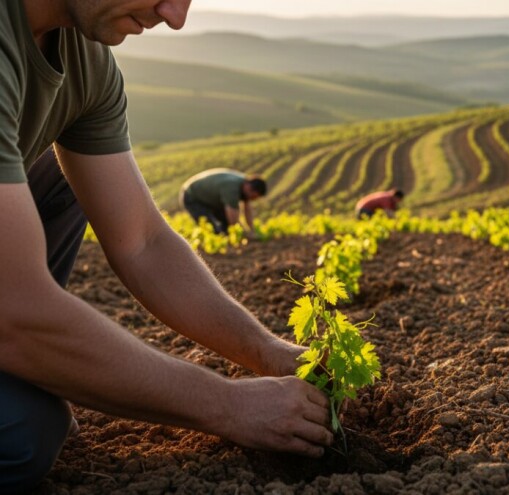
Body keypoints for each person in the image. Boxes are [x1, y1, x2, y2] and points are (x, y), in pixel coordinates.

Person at [0, 1, 332, 492]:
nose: (175, 17)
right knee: (24, 435)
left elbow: (144, 241)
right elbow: (13, 312)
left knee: (66, 177)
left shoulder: (85, 59)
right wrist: (228, 405)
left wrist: (268, 352)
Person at [180, 168, 266, 235]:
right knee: (211, 227)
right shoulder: (232, 188)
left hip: (211, 198)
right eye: (253, 197)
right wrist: (243, 233)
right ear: (249, 187)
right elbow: (233, 220)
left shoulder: (244, 185)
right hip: (192, 196)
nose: (252, 199)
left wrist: (251, 230)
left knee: (225, 226)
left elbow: (247, 210)